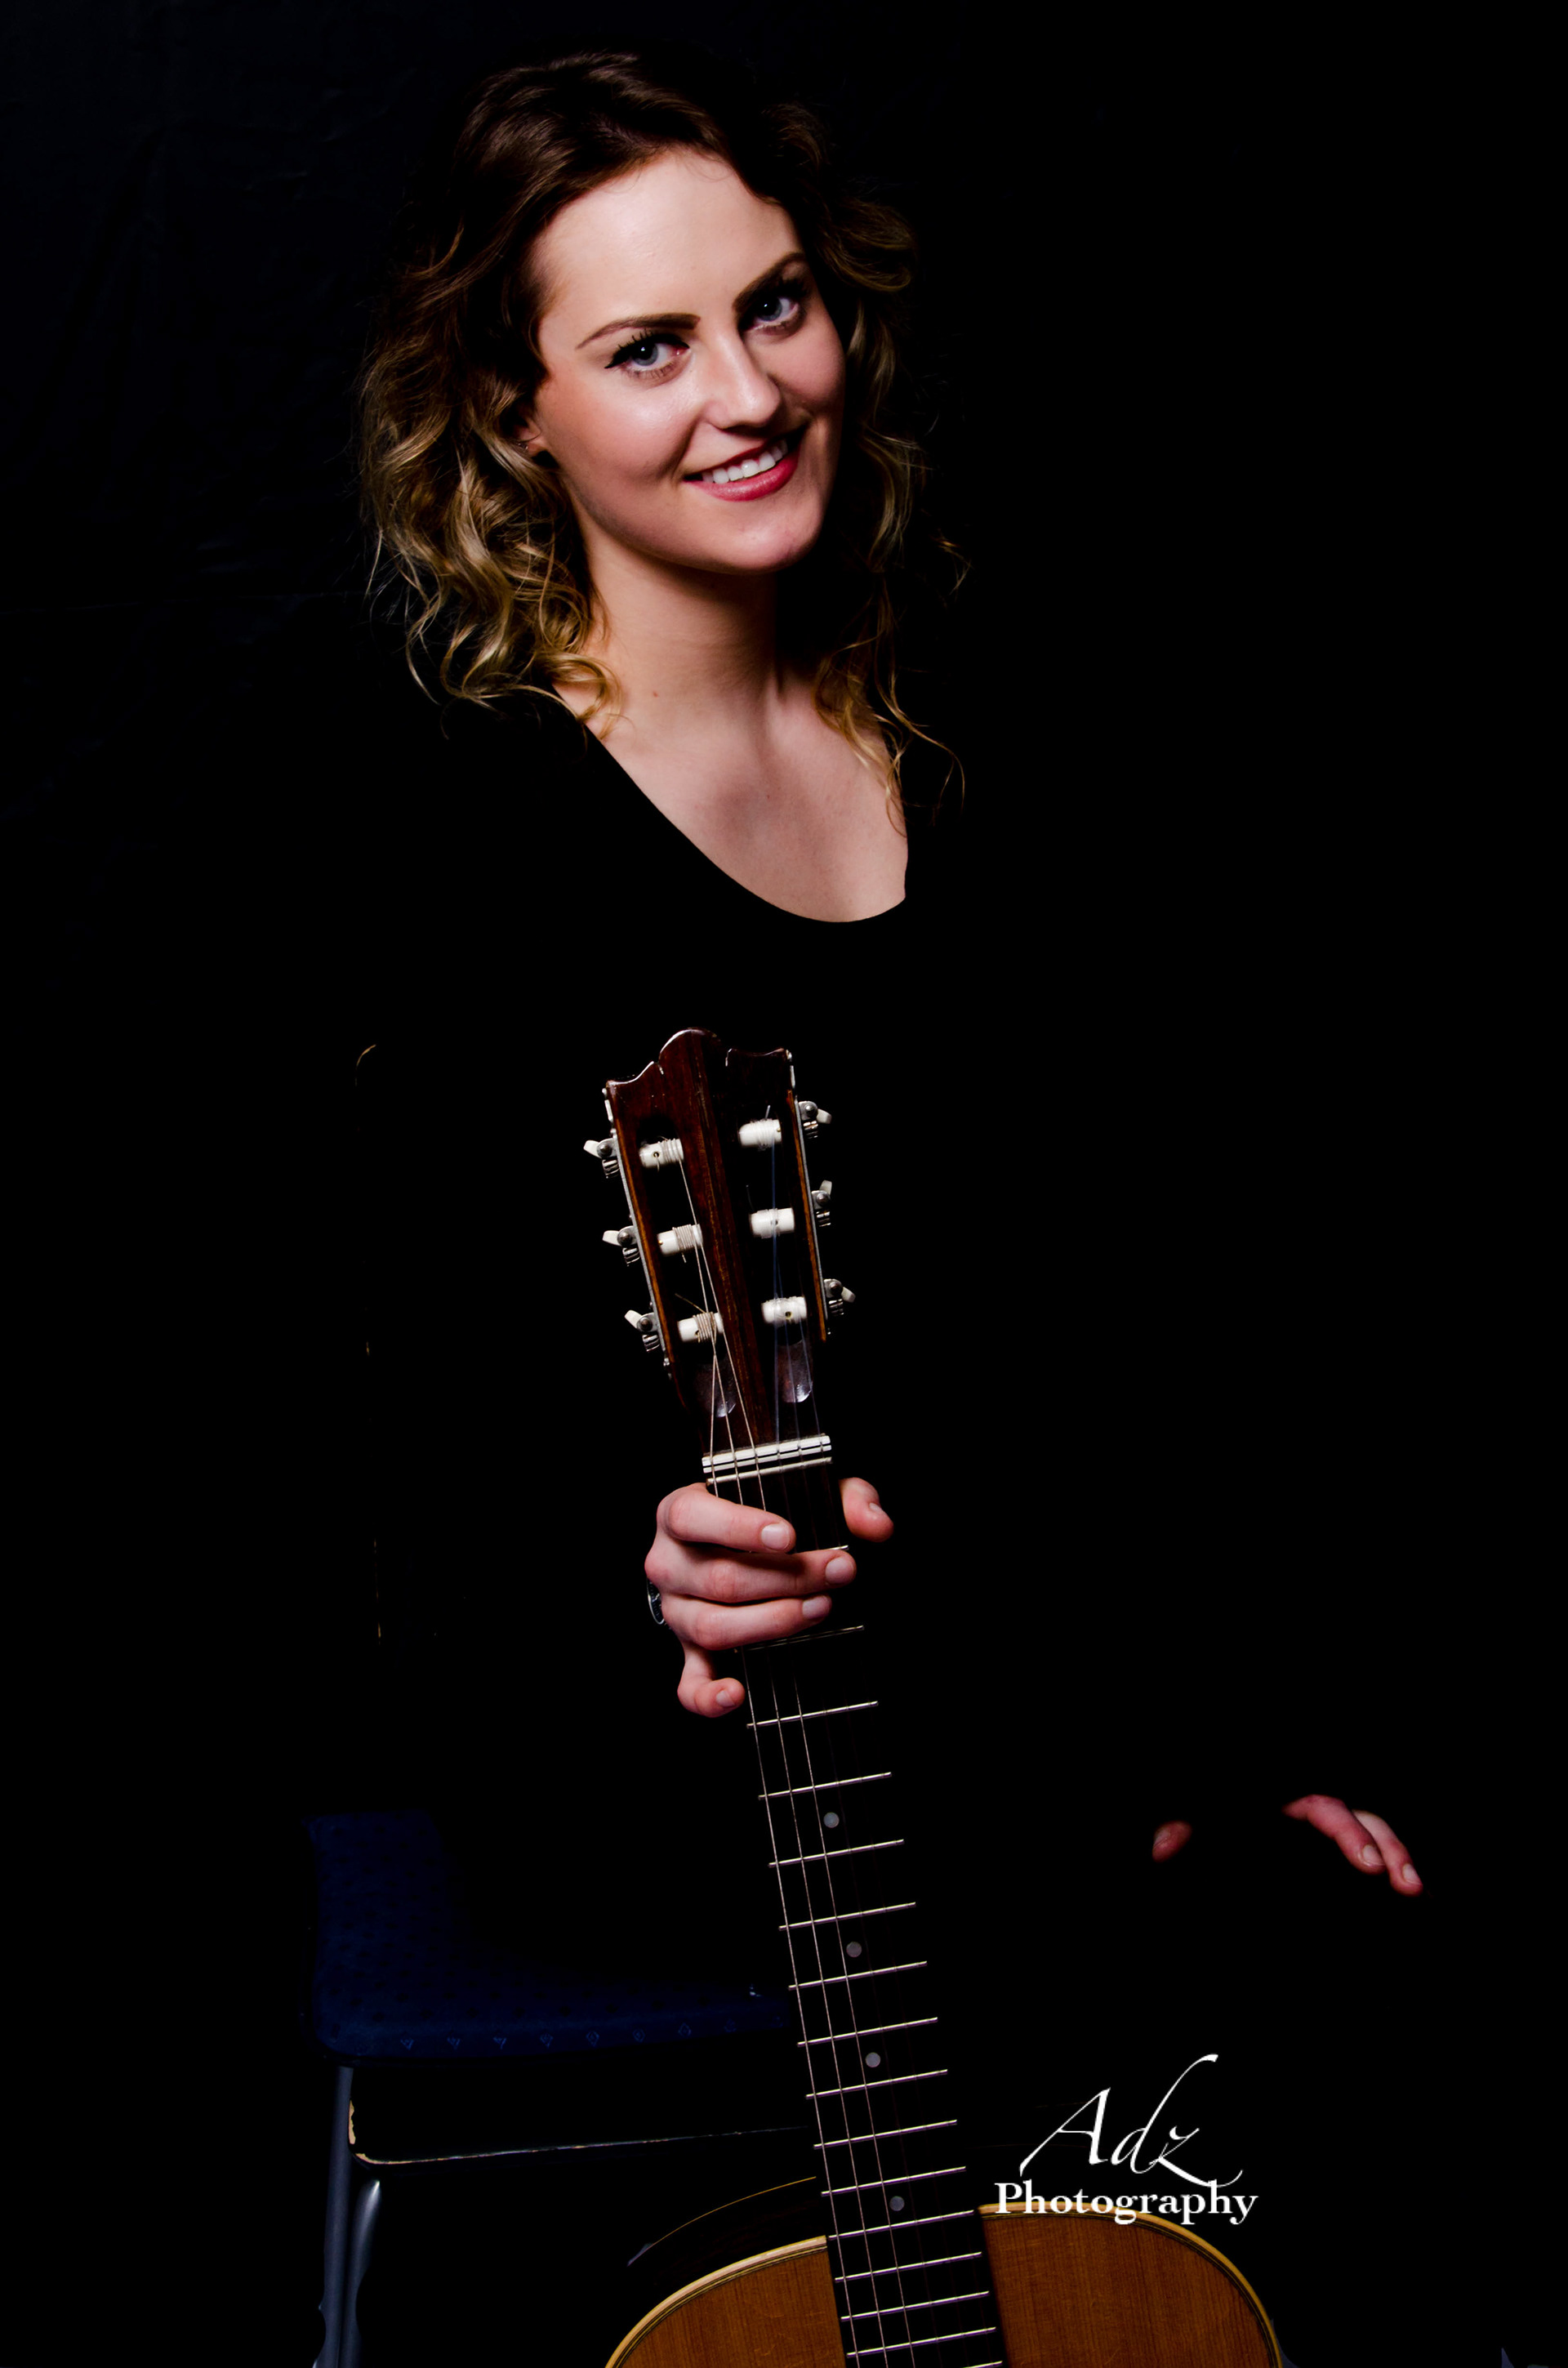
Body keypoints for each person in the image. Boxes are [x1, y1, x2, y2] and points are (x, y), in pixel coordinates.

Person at [349, 44, 1437, 2359]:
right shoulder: (471, 862)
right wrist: (648, 1562)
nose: (749, 394)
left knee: (1352, 1928)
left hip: (1026, 1641)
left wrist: (1236, 1716)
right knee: (1135, 1916)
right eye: (648, 347)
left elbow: (1159, 1304)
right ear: (514, 413)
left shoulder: (975, 737)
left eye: (774, 307)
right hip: (668, 1725)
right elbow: (438, 1459)